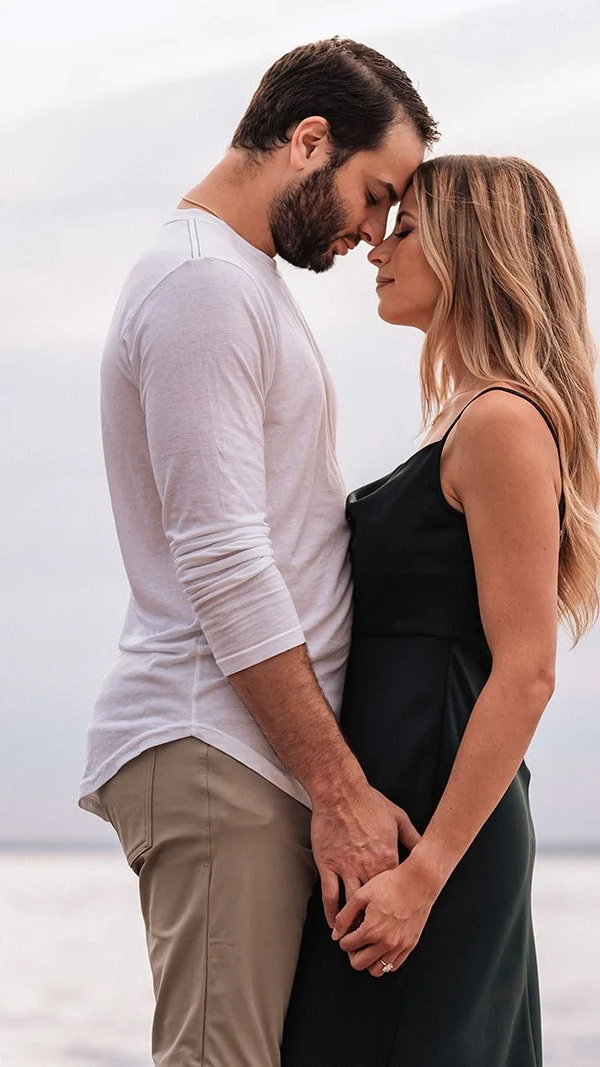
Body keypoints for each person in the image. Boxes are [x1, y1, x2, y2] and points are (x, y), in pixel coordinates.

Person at [77, 39, 438, 1067]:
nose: (373, 231)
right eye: (374, 196)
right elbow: (224, 556)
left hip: (247, 751)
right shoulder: (202, 287)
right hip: (215, 745)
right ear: (308, 142)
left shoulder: (235, 283)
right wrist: (338, 787)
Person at [282, 155, 600, 1066]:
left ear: (476, 251)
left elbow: (529, 668)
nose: (378, 247)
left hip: (439, 833)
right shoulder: (464, 419)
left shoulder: (502, 423)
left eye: (409, 227)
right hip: (398, 815)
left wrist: (424, 878)